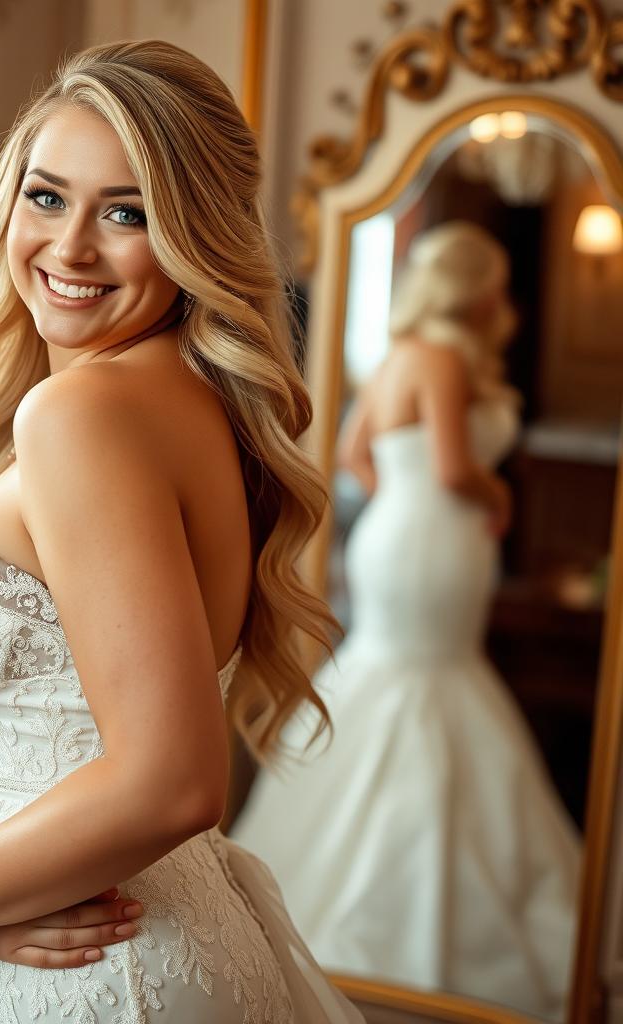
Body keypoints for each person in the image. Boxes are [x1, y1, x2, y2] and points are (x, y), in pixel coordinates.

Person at [0, 40, 364, 1024]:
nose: (69, 248)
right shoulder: (164, 397)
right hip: (65, 937)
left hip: (101, 977)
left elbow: (172, 781)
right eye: (46, 196)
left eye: (126, 213)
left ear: (194, 236)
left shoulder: (87, 416)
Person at [231, 221, 582, 1021]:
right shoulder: (447, 359)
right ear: (481, 292)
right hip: (439, 536)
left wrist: (404, 495)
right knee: (426, 679)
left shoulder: (398, 355)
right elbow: (457, 468)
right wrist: (498, 495)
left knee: (396, 672)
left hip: (397, 534)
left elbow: (354, 453)